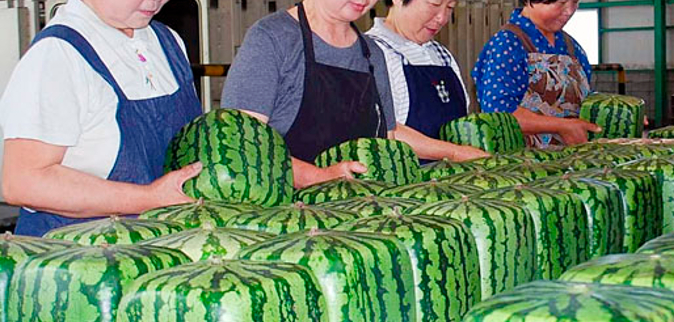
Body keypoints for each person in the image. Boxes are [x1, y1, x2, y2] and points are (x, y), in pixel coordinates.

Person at [221, 0, 486, 189]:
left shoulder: (372, 54)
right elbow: (241, 143)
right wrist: (319, 176)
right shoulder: (272, 39)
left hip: (359, 220)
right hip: (289, 217)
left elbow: (388, 138)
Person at [0, 0, 203, 237]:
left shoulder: (168, 41)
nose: (155, 1)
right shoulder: (57, 53)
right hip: (76, 258)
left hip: (162, 247)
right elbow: (23, 182)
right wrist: (149, 198)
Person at [472, 0, 600, 148]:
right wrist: (562, 126)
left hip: (572, 162)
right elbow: (499, 114)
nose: (569, 11)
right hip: (523, 163)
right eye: (562, 3)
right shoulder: (506, 45)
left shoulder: (572, 47)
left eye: (575, 2)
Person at [366, 0, 468, 142]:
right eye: (435, 4)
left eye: (450, 7)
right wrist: (454, 153)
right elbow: (380, 129)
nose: (442, 18)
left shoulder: (442, 55)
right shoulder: (370, 53)